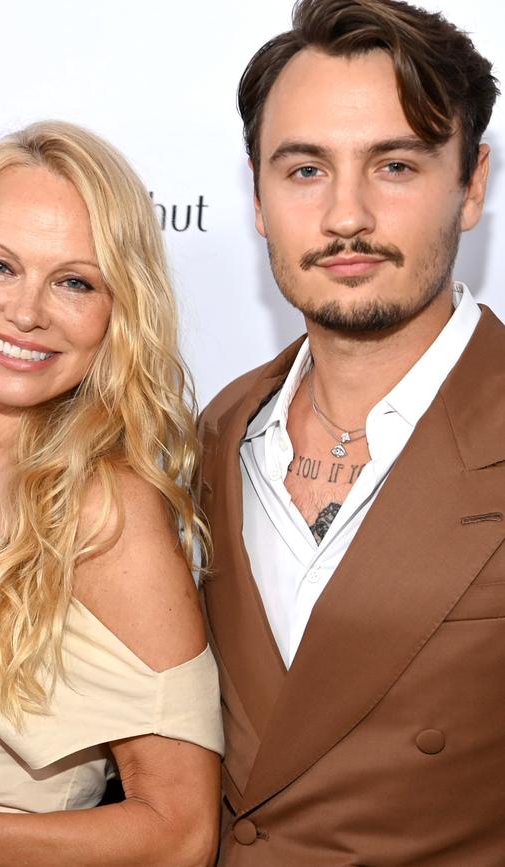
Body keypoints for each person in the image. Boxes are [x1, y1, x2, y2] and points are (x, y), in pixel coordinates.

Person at [0, 121, 223, 866]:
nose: (26, 312)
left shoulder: (104, 511)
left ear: (117, 311)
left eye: (74, 281)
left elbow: (181, 833)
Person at [199, 0, 504, 863]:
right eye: (304, 170)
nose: (345, 217)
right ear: (257, 195)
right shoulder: (209, 439)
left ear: (472, 184)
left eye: (395, 165)